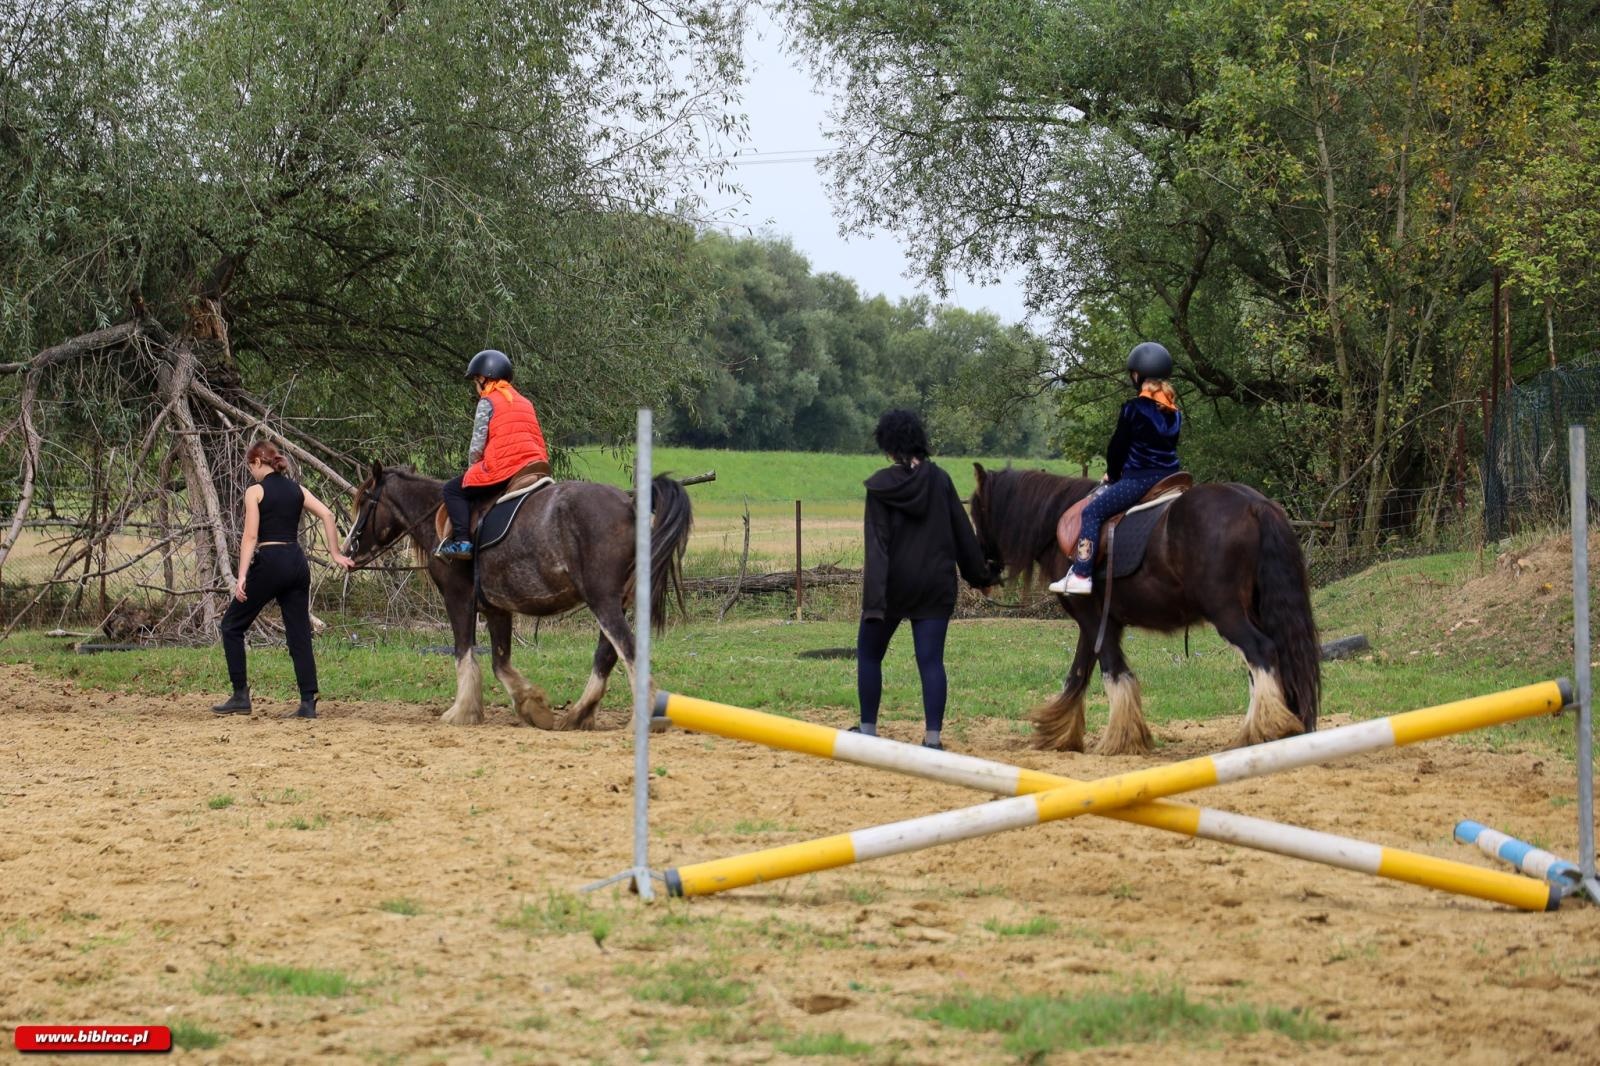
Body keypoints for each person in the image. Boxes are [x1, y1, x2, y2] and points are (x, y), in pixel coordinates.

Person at [856, 409, 997, 751]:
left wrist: (874, 603)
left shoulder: (879, 487)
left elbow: (877, 547)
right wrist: (980, 576)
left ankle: (868, 730)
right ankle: (932, 738)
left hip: (891, 586)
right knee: (930, 660)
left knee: (869, 654)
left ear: (888, 445)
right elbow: (963, 534)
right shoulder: (941, 480)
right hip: (935, 584)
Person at [213, 442, 355, 718]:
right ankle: (307, 702)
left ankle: (240, 695)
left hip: (271, 560)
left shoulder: (255, 491)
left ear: (257, 462)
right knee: (299, 632)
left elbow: (251, 537)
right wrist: (335, 553)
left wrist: (241, 575)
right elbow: (327, 513)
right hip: (297, 562)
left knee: (232, 624)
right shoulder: (297, 490)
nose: (250, 472)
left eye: (249, 467)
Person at [1048, 341, 1183, 596]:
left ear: (1136, 375)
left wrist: (1114, 473)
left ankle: (1081, 574)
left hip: (1140, 480)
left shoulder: (1133, 409)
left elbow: (1117, 449)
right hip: (1170, 478)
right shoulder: (1174, 412)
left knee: (1092, 513)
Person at [435, 348, 548, 561]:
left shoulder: (488, 401)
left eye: (476, 381)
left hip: (507, 468)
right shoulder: (525, 401)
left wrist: (472, 470)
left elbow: (477, 446)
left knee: (452, 490)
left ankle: (462, 543)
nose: (476, 387)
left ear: (484, 378)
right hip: (535, 466)